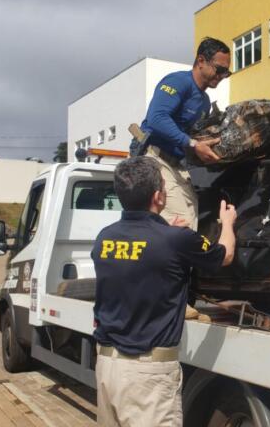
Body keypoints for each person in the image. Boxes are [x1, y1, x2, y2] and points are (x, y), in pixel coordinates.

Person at [92, 156, 237, 426]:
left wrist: (168, 233)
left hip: (107, 367)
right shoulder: (175, 240)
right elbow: (225, 255)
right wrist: (227, 222)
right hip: (148, 375)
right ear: (159, 196)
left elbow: (140, 254)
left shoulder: (104, 238)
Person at [140, 37, 232, 231]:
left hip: (176, 163)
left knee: (190, 212)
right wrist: (193, 144)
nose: (222, 76)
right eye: (219, 69)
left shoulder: (204, 102)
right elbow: (156, 118)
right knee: (180, 222)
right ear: (201, 61)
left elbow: (194, 138)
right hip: (154, 157)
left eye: (227, 72)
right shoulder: (178, 82)